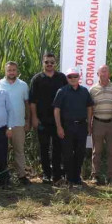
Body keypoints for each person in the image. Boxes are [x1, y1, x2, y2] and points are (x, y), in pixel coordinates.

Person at [29, 53, 68, 184]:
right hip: (42, 120)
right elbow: (32, 101)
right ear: (43, 63)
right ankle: (46, 174)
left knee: (58, 148)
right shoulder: (37, 79)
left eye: (52, 62)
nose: (49, 64)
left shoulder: (62, 78)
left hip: (58, 121)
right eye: (47, 62)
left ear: (55, 63)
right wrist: (34, 117)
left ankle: (57, 175)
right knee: (44, 148)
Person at [53, 68, 93, 187]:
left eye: (75, 76)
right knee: (67, 153)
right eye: (70, 76)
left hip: (81, 126)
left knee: (80, 153)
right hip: (67, 126)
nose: (73, 79)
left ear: (79, 77)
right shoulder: (62, 91)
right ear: (67, 78)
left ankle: (77, 177)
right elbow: (56, 110)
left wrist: (89, 125)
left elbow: (89, 108)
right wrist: (59, 127)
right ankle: (69, 178)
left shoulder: (85, 91)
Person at [0, 61, 31, 184]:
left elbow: (27, 104)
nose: (11, 72)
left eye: (13, 70)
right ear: (5, 71)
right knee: (2, 151)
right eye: (9, 70)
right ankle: (4, 176)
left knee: (19, 150)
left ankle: (21, 175)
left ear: (17, 71)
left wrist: (28, 120)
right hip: (2, 125)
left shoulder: (23, 85)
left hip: (18, 123)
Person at [89, 65, 112, 186]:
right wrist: (90, 124)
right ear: (98, 74)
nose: (104, 73)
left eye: (106, 71)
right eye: (101, 71)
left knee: (111, 151)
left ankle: (110, 175)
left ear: (109, 74)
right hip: (98, 123)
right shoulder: (92, 89)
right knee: (96, 151)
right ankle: (95, 175)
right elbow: (90, 109)